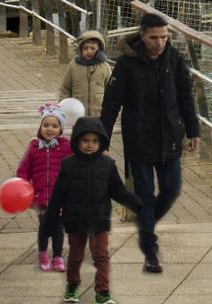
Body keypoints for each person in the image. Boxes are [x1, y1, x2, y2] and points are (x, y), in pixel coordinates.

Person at [100, 13, 200, 274]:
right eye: (154, 38)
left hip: (170, 138)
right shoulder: (126, 64)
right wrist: (102, 140)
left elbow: (186, 97)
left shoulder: (174, 60)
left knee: (172, 189)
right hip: (139, 140)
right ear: (143, 36)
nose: (160, 43)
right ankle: (150, 251)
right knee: (144, 197)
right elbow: (111, 105)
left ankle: (146, 225)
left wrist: (193, 131)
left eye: (164, 37)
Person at [44, 117, 142, 304]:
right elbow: (57, 196)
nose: (90, 145)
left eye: (95, 141)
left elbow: (118, 191)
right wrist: (49, 223)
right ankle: (72, 285)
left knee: (101, 255)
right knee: (75, 255)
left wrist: (138, 205)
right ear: (77, 141)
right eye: (85, 140)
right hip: (75, 219)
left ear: (101, 142)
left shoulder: (108, 165)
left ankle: (103, 291)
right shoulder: (68, 165)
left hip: (99, 219)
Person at [16, 103, 72, 273]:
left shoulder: (66, 147)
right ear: (40, 127)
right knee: (45, 228)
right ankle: (42, 254)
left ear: (60, 128)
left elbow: (73, 168)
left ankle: (57, 256)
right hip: (41, 197)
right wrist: (23, 186)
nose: (49, 129)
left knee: (59, 229)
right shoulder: (34, 147)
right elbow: (23, 170)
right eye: (46, 125)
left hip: (60, 198)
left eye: (54, 126)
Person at [59, 30, 113, 117]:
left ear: (99, 49)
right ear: (80, 49)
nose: (89, 51)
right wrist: (64, 106)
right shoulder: (73, 66)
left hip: (99, 114)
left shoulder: (105, 66)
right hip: (78, 113)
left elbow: (111, 90)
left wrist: (109, 109)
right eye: (85, 48)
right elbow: (65, 89)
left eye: (93, 48)